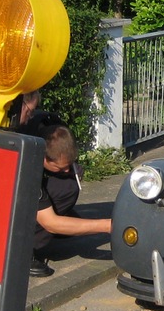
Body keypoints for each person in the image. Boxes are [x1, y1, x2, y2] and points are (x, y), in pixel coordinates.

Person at [20, 113, 112, 277]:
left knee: (69, 183)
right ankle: (26, 250)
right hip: (2, 208)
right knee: (63, 190)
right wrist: (107, 225)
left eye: (69, 164)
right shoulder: (28, 171)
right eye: (60, 168)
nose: (67, 170)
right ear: (43, 159)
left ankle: (65, 217)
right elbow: (51, 223)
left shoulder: (49, 124)